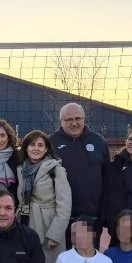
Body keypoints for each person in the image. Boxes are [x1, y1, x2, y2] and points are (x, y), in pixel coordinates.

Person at [17, 130, 72, 263]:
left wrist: (54, 234)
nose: (36, 149)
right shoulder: (21, 169)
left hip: (47, 226)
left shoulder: (56, 170)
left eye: (40, 145)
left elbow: (65, 206)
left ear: (47, 148)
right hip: (25, 225)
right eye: (32, 145)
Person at [49, 103, 110, 248]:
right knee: (63, 261)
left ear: (84, 118)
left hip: (92, 217)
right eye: (69, 119)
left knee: (88, 261)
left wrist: (104, 212)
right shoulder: (51, 142)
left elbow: (108, 179)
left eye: (78, 118)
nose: (74, 123)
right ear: (61, 122)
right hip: (61, 218)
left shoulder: (98, 141)